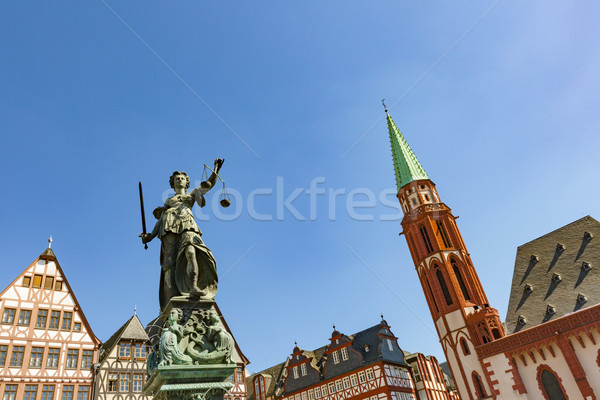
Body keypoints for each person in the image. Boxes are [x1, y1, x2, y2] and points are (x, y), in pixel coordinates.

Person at [142, 158, 224, 311]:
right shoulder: (168, 201)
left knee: (192, 251)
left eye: (182, 178)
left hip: (187, 225)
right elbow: (160, 221)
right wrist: (150, 236)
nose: (179, 180)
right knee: (169, 266)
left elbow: (208, 185)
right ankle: (170, 302)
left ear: (187, 183)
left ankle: (193, 287)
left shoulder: (192, 195)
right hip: (168, 229)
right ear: (172, 183)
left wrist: (216, 170)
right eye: (177, 178)